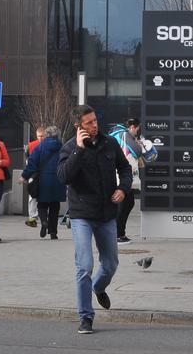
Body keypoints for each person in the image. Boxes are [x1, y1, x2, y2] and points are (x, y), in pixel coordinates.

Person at [57, 105, 132, 335]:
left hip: (107, 213)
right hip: (81, 215)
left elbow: (126, 169)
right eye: (89, 123)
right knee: (85, 267)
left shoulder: (110, 143)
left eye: (95, 120)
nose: (94, 125)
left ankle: (98, 288)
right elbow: (63, 177)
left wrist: (123, 188)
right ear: (78, 126)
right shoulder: (69, 148)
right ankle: (86, 317)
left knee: (110, 264)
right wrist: (79, 150)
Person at [19, 125, 67, 240]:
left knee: (42, 204)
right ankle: (53, 232)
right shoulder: (63, 147)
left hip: (43, 180)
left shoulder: (40, 147)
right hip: (58, 180)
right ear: (57, 135)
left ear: (46, 135)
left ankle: (44, 222)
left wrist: (24, 176)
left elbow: (32, 164)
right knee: (55, 206)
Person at [108, 118, 144, 244]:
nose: (137, 132)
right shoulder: (124, 134)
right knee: (125, 204)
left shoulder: (117, 134)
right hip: (123, 175)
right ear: (133, 127)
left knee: (127, 203)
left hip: (119, 174)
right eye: (137, 129)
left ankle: (120, 233)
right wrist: (139, 145)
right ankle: (117, 234)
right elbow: (137, 151)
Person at [24, 125, 46, 228]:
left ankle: (42, 218)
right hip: (34, 174)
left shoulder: (48, 145)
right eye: (38, 136)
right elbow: (27, 162)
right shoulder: (31, 145)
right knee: (32, 195)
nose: (40, 138)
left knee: (42, 196)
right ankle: (33, 217)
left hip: (44, 174)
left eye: (42, 136)